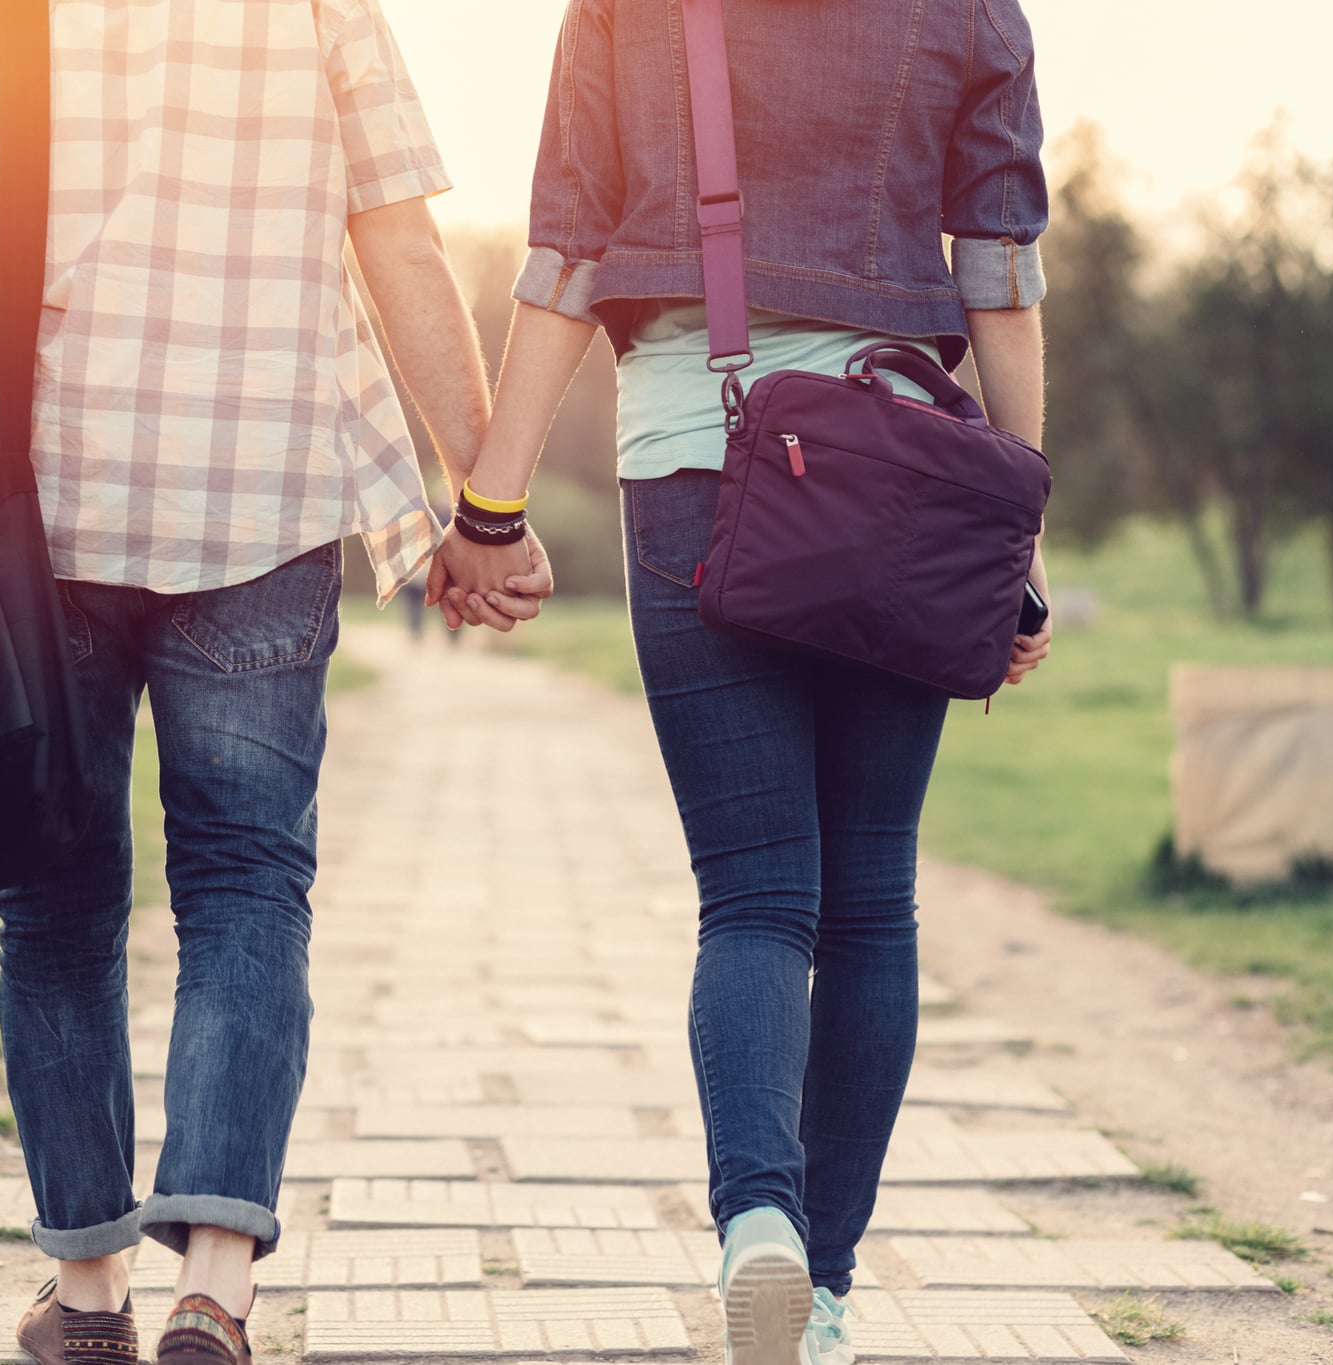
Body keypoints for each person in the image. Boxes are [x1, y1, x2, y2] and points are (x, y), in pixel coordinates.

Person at [0, 4, 544, 1364]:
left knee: (58, 894)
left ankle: (92, 1292)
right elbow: (397, 236)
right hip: (263, 492)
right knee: (245, 880)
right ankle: (213, 1286)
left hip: (33, 507)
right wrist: (486, 504)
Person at [433, 2, 1054, 1362]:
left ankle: (756, 1226)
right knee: (872, 900)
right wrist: (1015, 541)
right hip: (906, 480)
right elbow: (998, 273)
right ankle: (822, 1294)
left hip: (692, 468)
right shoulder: (972, 12)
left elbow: (563, 260)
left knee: (757, 896)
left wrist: (491, 505)